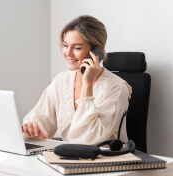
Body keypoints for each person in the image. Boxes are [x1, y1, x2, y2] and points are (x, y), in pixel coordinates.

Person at [22, 15, 132, 145]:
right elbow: (40, 119)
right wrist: (33, 127)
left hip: (103, 161)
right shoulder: (61, 80)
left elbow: (87, 139)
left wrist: (87, 84)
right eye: (65, 45)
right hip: (69, 159)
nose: (68, 53)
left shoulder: (117, 88)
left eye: (77, 48)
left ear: (97, 51)